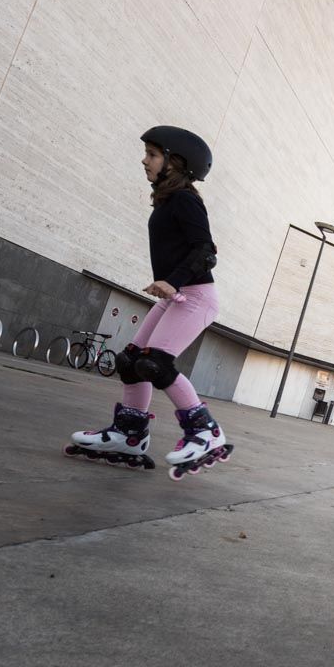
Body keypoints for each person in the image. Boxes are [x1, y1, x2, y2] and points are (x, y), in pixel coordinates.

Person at [67, 127, 228, 478]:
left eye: (153, 155)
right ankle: (130, 434)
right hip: (176, 297)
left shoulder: (185, 199)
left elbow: (206, 251)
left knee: (155, 363)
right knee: (130, 362)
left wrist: (173, 280)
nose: (145, 160)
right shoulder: (169, 200)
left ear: (176, 162)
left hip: (196, 297)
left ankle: (204, 431)